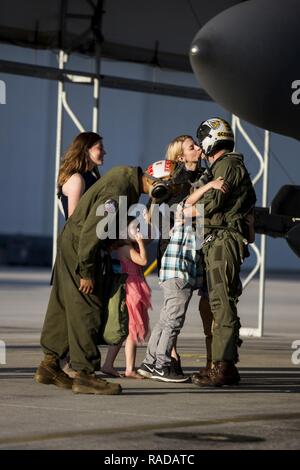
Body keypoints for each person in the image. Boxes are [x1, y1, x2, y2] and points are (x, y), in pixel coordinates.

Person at [34, 158, 180, 395]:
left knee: (62, 306)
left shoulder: (126, 183)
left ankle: (50, 364)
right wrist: (88, 272)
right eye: (168, 187)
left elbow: (109, 225)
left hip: (73, 244)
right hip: (81, 248)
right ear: (158, 182)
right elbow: (92, 231)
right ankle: (85, 375)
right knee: (87, 307)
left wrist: (113, 240)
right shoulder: (120, 188)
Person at [138, 176, 226, 383]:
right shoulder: (183, 212)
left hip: (175, 273)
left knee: (165, 320)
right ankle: (162, 363)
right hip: (178, 273)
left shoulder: (196, 221)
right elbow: (189, 203)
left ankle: (150, 362)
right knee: (173, 322)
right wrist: (210, 186)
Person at [191, 117, 257, 387]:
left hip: (222, 239)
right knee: (221, 301)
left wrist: (192, 203)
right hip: (218, 240)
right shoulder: (224, 165)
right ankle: (222, 362)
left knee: (221, 302)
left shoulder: (227, 165)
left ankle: (223, 366)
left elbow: (210, 205)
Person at [157, 135, 213, 377]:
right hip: (176, 246)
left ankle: (213, 358)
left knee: (209, 301)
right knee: (176, 303)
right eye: (193, 147)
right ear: (181, 156)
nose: (199, 148)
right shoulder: (171, 180)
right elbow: (164, 211)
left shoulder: (207, 174)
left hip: (201, 244)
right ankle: (170, 356)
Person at [101, 230, 151, 379]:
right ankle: (127, 369)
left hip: (135, 286)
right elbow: (143, 261)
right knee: (130, 329)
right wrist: (141, 243)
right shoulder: (126, 248)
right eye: (133, 230)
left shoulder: (128, 245)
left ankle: (109, 364)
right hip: (131, 289)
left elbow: (151, 237)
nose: (137, 232)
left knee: (127, 330)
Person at [57, 132, 104, 220]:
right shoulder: (76, 179)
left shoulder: (92, 178)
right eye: (100, 148)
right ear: (86, 150)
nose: (104, 152)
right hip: (82, 234)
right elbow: (74, 222)